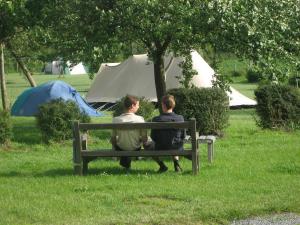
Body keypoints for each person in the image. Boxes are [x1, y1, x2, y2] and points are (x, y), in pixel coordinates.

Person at [111, 95, 148, 170]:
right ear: (132, 106)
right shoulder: (140, 119)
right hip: (135, 148)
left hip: (121, 148)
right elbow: (144, 139)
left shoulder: (116, 120)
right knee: (143, 139)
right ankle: (129, 164)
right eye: (137, 105)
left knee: (117, 140)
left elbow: (113, 139)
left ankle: (124, 164)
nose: (138, 107)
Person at [151, 94, 185, 173]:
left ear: (163, 105)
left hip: (160, 147)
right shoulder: (180, 118)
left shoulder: (156, 119)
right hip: (177, 147)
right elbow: (183, 135)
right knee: (174, 140)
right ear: (173, 105)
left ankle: (162, 166)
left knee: (148, 146)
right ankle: (176, 163)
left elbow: (153, 136)